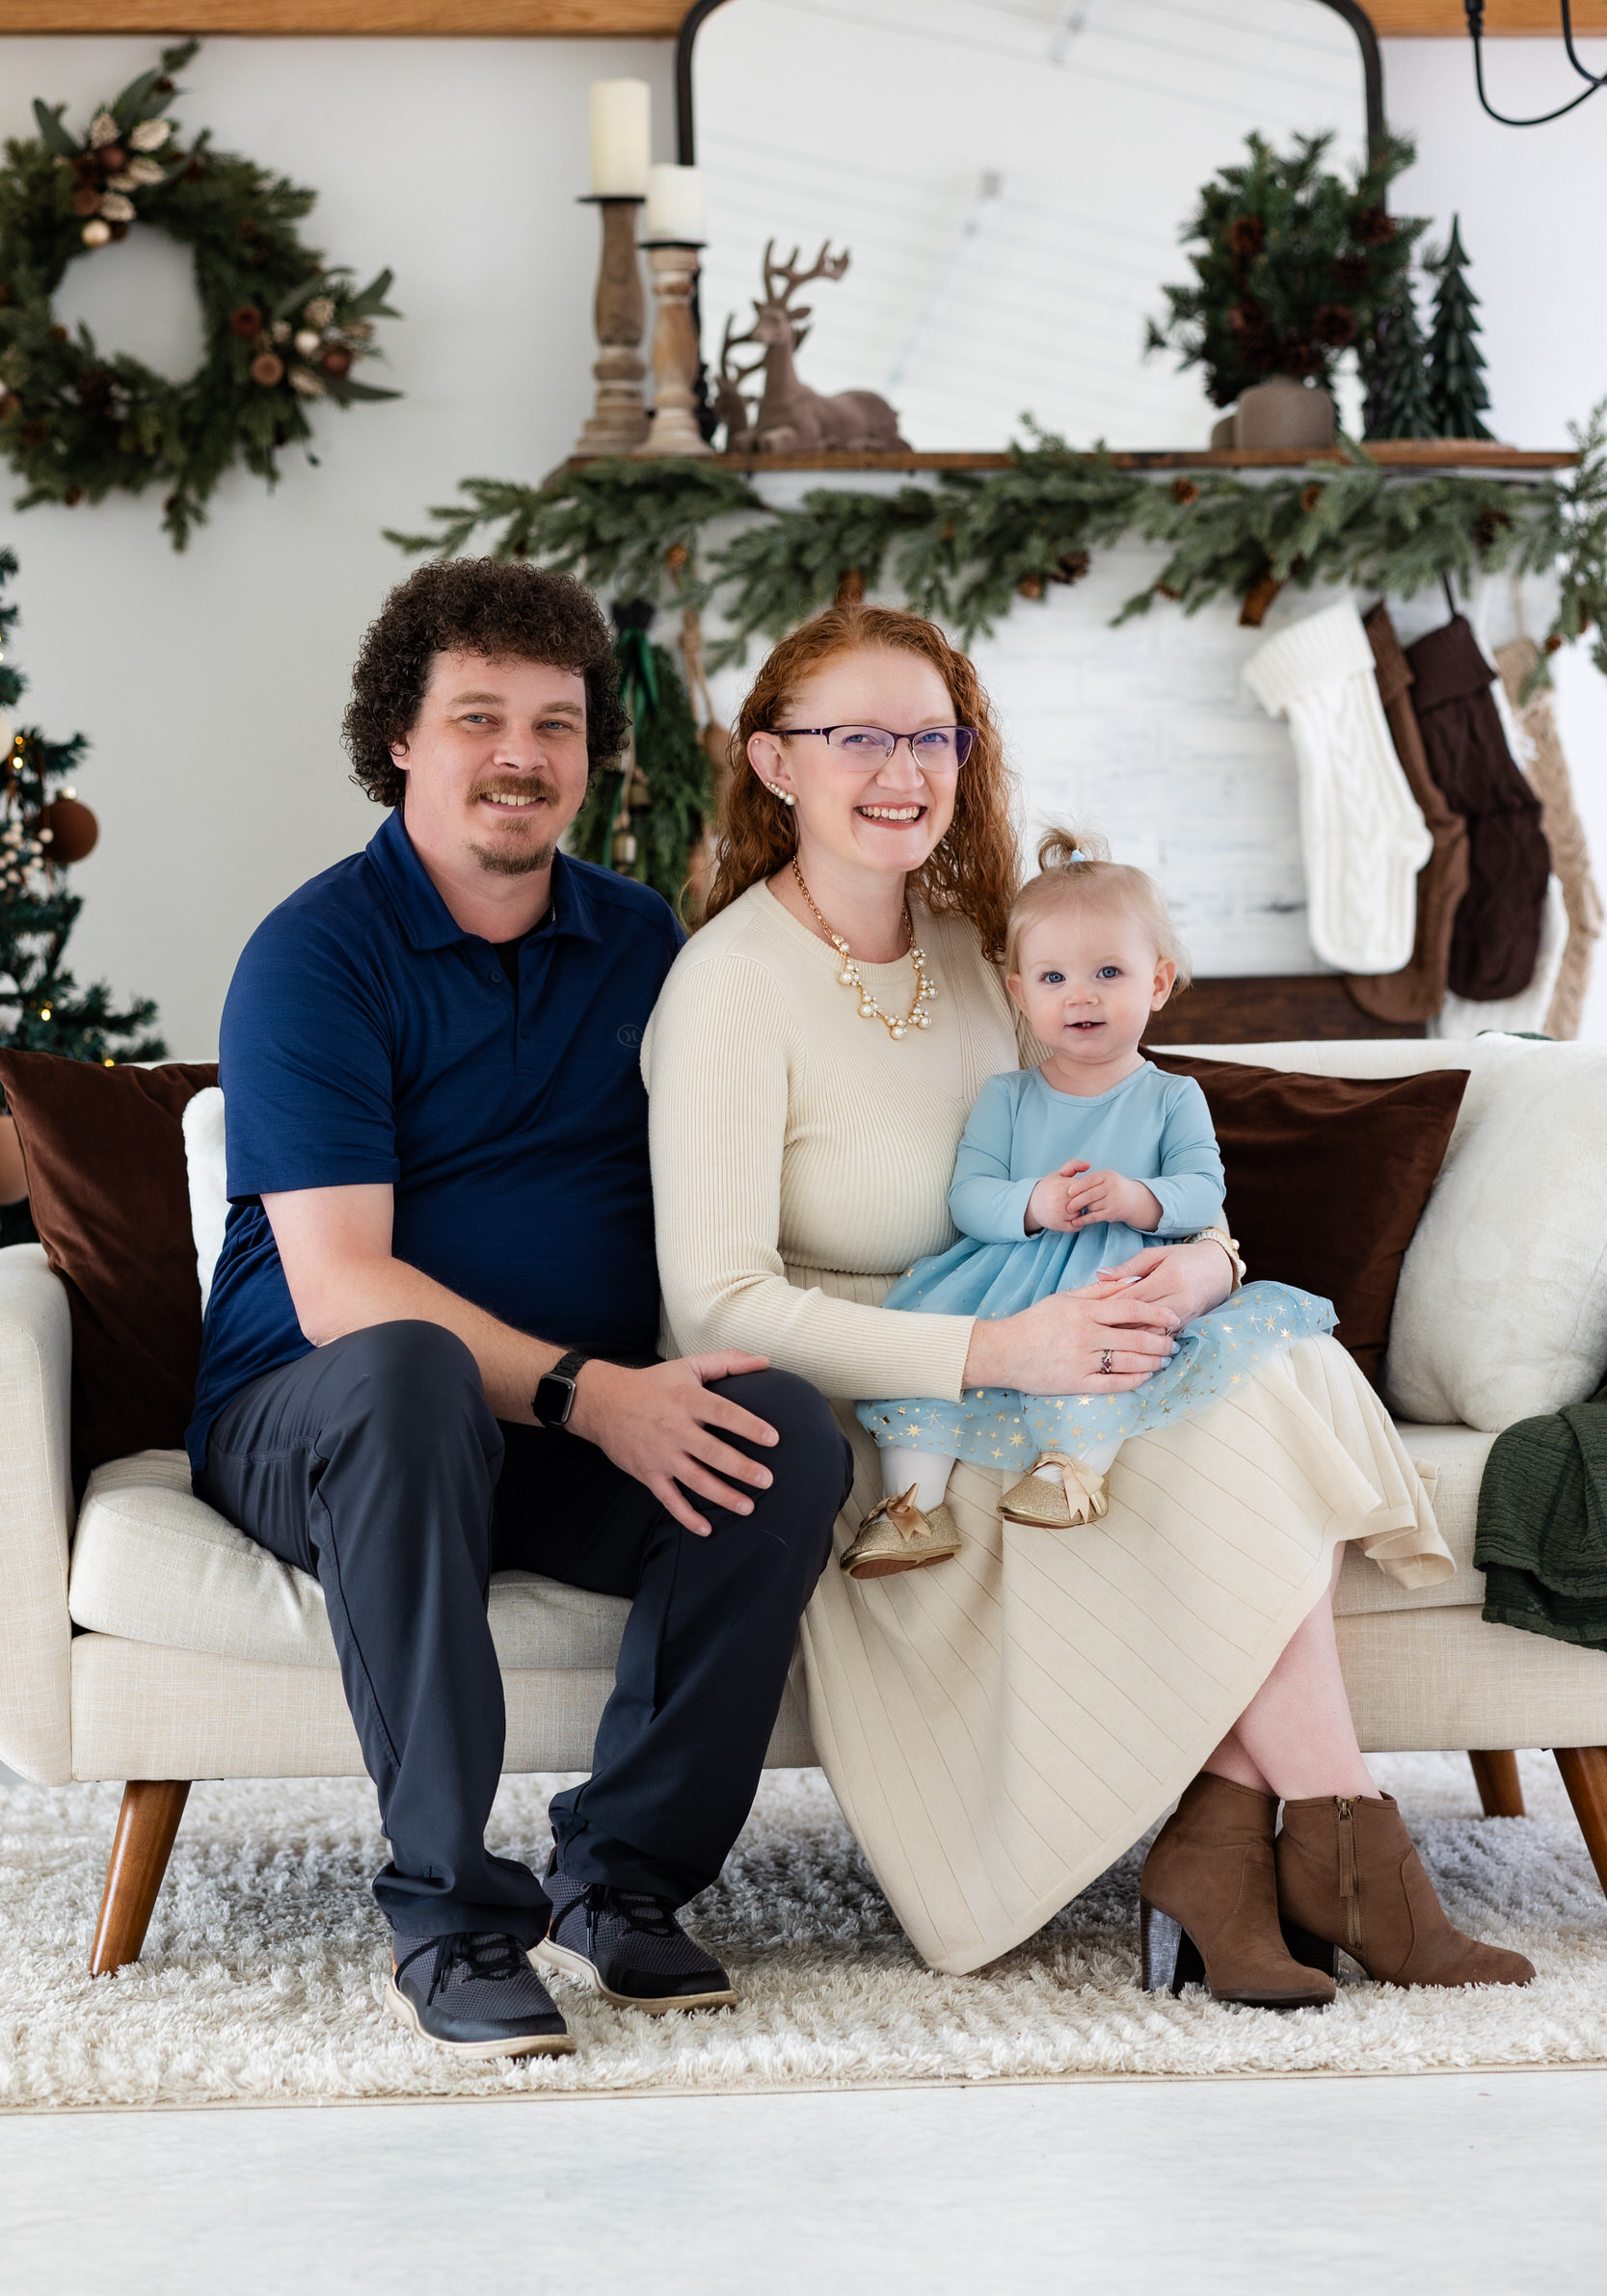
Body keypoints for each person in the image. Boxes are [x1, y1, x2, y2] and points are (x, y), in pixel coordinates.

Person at [643, 601, 1534, 2010]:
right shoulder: (726, 987)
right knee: (1248, 1418)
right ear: (772, 766)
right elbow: (713, 1306)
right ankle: (1341, 1861)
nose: (901, 768)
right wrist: (1001, 1344)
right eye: (853, 735)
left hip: (1051, 1358)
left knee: (1267, 1365)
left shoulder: (984, 947)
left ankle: (1242, 1855)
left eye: (929, 734)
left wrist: (1204, 1266)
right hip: (885, 1421)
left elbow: (1127, 1159)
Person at [189, 560, 850, 2060]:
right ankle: (447, 1915)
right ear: (400, 742)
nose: (519, 756)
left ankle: (620, 1883)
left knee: (780, 1434)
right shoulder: (314, 958)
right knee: (411, 1367)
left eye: (554, 724)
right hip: (325, 1420)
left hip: (552, 1438)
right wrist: (596, 1395)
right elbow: (342, 1286)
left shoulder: (642, 950)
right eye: (477, 716)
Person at [847, 826, 1335, 1574]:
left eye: (1109, 971)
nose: (1080, 995)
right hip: (1005, 1276)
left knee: (1114, 1352)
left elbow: (1204, 1190)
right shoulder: (1005, 1097)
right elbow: (969, 1197)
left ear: (1158, 982)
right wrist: (1035, 1202)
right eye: (1051, 979)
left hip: (1118, 1270)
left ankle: (1067, 1474)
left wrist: (1137, 1197)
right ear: (1018, 992)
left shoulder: (1173, 1096)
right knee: (930, 1347)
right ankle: (911, 1507)